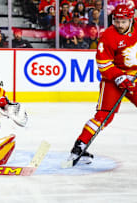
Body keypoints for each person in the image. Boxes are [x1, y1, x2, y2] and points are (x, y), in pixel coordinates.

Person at [66, 5, 137, 165]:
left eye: (123, 21)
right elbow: (103, 63)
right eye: (116, 21)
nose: (119, 25)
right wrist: (119, 77)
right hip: (113, 78)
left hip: (134, 77)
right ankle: (79, 147)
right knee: (104, 115)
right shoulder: (108, 36)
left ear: (131, 20)